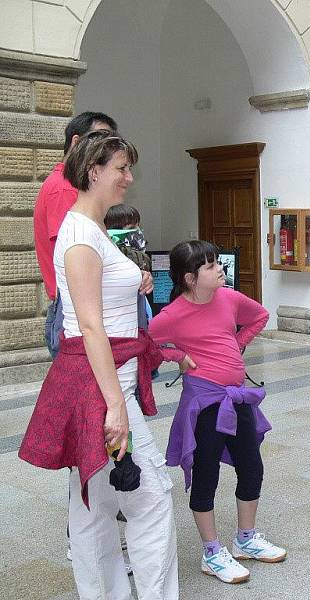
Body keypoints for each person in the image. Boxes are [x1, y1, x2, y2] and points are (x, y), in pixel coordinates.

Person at [19, 130, 179, 599]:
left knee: (95, 503)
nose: (129, 177)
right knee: (150, 498)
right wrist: (115, 405)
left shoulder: (88, 229)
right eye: (122, 168)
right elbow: (90, 327)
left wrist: (136, 279)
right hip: (103, 387)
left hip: (100, 382)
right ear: (94, 172)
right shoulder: (81, 235)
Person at [148, 240, 284, 585]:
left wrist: (237, 343)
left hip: (237, 399)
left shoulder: (228, 298)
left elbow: (260, 316)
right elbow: (142, 343)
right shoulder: (173, 314)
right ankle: (212, 552)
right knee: (206, 474)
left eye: (217, 263)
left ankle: (246, 539)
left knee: (252, 466)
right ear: (191, 279)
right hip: (205, 403)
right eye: (210, 266)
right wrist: (176, 356)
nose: (220, 269)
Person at [34, 111, 118, 358]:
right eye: (100, 139)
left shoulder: (69, 186)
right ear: (76, 142)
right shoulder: (64, 188)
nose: (108, 148)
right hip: (77, 312)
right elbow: (77, 259)